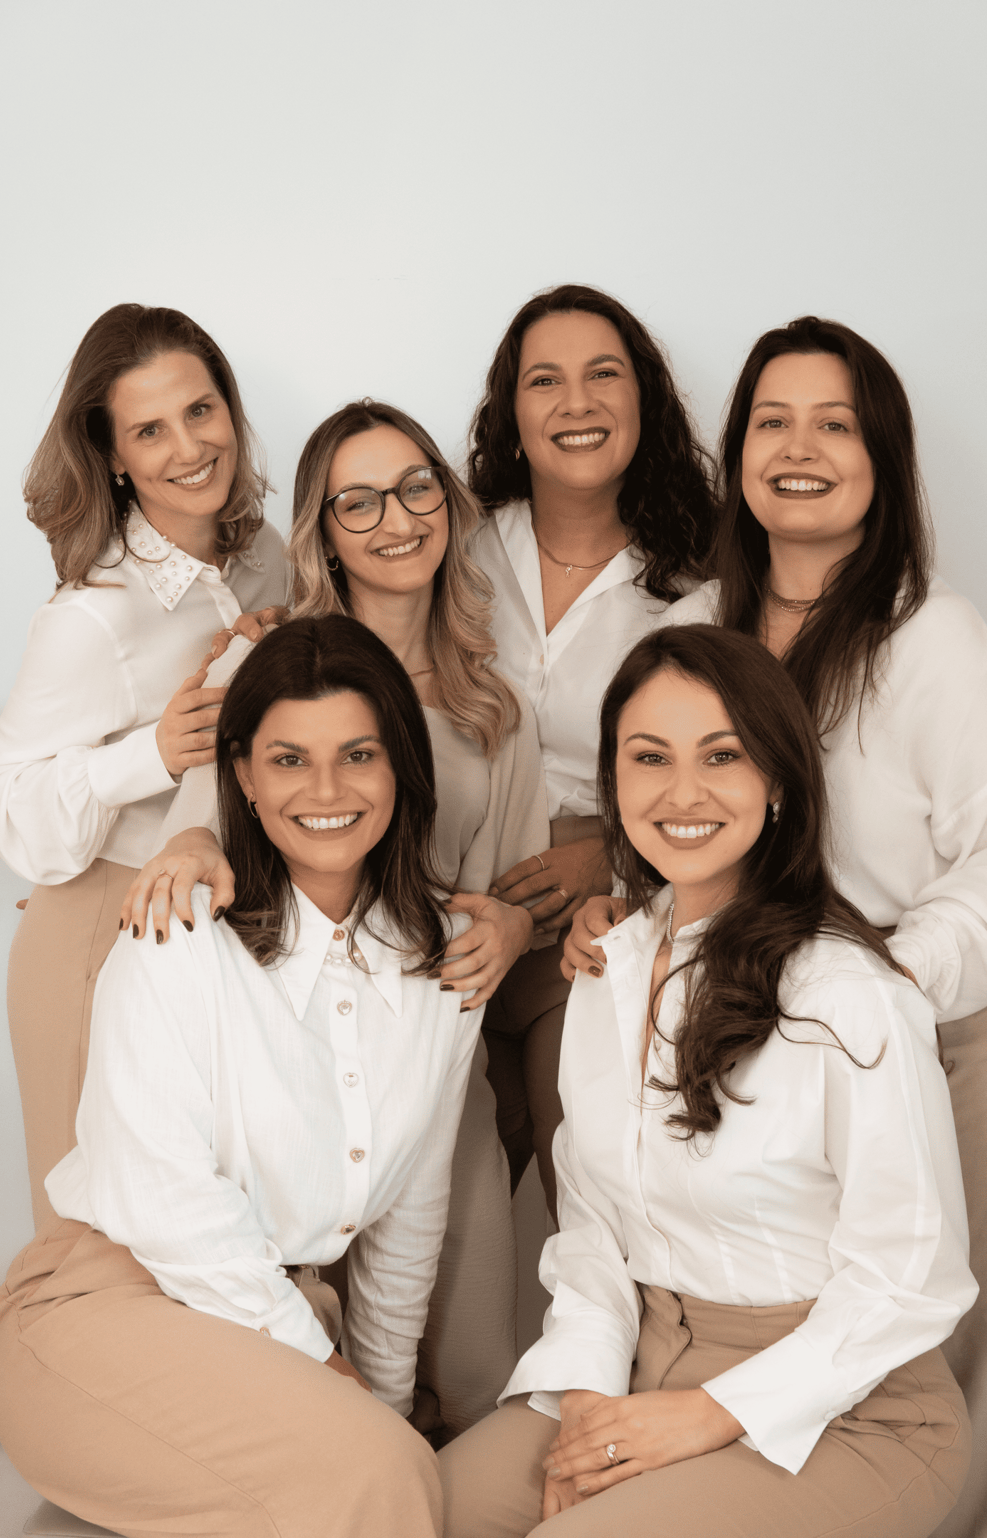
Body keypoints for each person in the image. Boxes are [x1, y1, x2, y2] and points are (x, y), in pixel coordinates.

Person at [565, 317, 987, 1538]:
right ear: (738, 452)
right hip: (735, 1019)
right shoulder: (694, 622)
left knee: (950, 1338)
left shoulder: (933, 639)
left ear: (883, 458)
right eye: (772, 421)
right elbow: (662, 808)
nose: (800, 447)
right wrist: (626, 909)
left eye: (836, 424)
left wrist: (881, 981)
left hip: (929, 1029)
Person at [441, 624, 976, 1538]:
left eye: (722, 756)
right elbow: (595, 1227)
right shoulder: (609, 966)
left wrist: (707, 1415)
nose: (682, 793)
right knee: (410, 1509)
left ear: (778, 781)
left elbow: (909, 1279)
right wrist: (588, 1401)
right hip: (643, 1362)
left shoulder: (850, 996)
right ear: (613, 780)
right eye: (649, 757)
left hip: (849, 1408)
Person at [119, 400, 550, 1438]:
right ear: (322, 527)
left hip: (425, 1044)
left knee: (467, 1359)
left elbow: (501, 893)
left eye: (416, 488)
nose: (395, 519)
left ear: (448, 503)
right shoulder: (268, 662)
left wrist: (514, 927)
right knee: (281, 1357)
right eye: (358, 501)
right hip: (278, 1040)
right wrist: (187, 847)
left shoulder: (495, 708)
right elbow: (205, 830)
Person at [0, 615, 483, 1538]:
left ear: (401, 768)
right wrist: (329, 1374)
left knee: (400, 1458)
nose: (327, 790)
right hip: (106, 1307)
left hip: (268, 1319)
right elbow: (166, 1202)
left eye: (358, 755)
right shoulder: (178, 932)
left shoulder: (446, 967)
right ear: (246, 780)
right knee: (375, 1474)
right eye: (289, 760)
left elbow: (409, 1219)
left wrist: (381, 1396)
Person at [0, 303, 287, 1225]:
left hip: (222, 927)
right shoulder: (93, 613)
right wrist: (151, 754)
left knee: (216, 1232)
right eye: (150, 430)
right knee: (90, 1243)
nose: (189, 448)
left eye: (200, 411)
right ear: (114, 454)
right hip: (96, 931)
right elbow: (17, 814)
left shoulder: (266, 559)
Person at [466, 282, 718, 1210]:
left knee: (582, 1167)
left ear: (644, 402)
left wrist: (608, 856)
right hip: (443, 898)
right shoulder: (450, 545)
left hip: (597, 911)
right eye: (546, 380)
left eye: (604, 374)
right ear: (511, 412)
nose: (577, 402)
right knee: (426, 1181)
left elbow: (720, 772)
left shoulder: (699, 586)